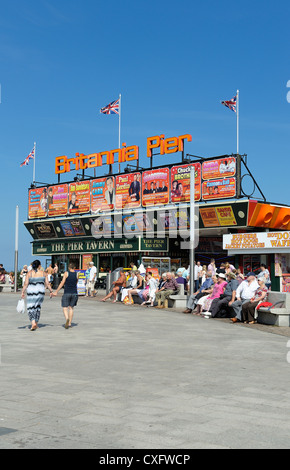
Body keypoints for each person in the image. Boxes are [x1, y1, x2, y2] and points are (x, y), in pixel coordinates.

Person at [21, 259, 53, 331]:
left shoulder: (29, 273)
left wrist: (22, 292)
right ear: (39, 266)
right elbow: (47, 284)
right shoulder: (43, 273)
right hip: (40, 292)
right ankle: (36, 323)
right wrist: (51, 291)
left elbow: (26, 284)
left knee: (30, 307)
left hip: (31, 292)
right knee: (37, 307)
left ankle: (33, 323)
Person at [53, 263, 80, 329]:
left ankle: (67, 319)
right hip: (74, 293)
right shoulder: (77, 274)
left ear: (69, 268)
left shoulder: (66, 273)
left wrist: (56, 291)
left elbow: (62, 283)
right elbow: (76, 282)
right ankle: (70, 323)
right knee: (71, 308)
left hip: (67, 292)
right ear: (75, 267)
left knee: (65, 307)